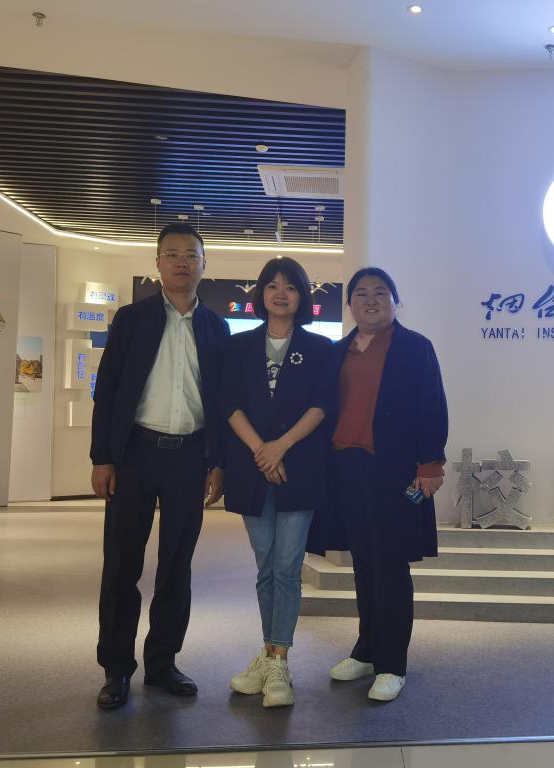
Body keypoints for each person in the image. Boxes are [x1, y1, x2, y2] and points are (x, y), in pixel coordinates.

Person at [90, 222, 229, 710]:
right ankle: (116, 669)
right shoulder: (131, 320)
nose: (182, 262)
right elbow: (107, 391)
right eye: (172, 254)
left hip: (190, 456)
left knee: (176, 565)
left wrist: (218, 462)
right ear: (157, 264)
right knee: (121, 565)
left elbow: (220, 402)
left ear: (204, 264)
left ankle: (163, 663)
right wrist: (102, 457)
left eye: (191, 254)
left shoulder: (216, 328)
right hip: (135, 454)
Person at [327, 267, 448, 702]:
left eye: (381, 292)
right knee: (363, 563)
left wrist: (430, 464)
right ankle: (367, 649)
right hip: (347, 469)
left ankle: (392, 663)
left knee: (391, 565)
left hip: (395, 471)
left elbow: (432, 406)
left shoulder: (415, 347)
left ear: (396, 302)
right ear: (350, 305)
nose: (371, 300)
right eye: (361, 293)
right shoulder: (337, 351)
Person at [222, 257, 335, 707]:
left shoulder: (319, 348)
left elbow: (322, 405)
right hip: (252, 468)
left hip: (299, 467)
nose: (281, 293)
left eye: (290, 286)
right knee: (265, 564)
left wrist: (280, 447)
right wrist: (261, 451)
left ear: (302, 296)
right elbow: (229, 405)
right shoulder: (238, 346)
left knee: (287, 566)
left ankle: (280, 662)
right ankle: (269, 653)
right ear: (261, 294)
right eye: (272, 285)